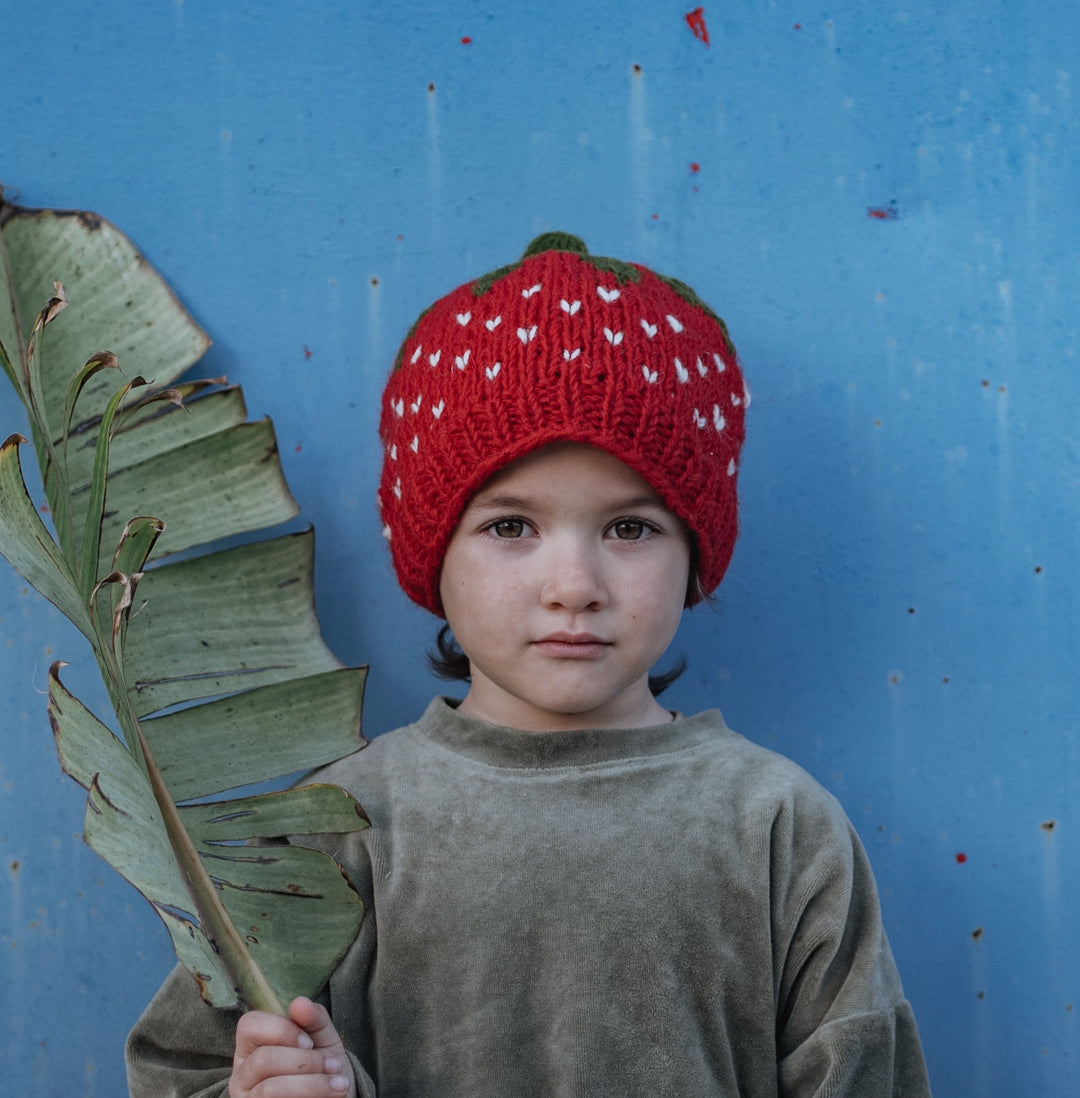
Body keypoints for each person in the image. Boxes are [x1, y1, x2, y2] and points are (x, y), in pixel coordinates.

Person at [126, 232, 932, 1097]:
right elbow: (185, 1071)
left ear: (697, 556)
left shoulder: (779, 828)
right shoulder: (335, 827)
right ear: (430, 554)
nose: (574, 586)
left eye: (631, 528)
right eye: (510, 527)